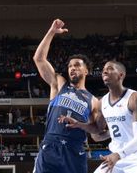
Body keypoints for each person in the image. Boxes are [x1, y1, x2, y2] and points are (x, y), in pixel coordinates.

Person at [33, 19, 102, 173]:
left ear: (86, 71)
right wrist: (51, 32)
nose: (72, 68)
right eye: (70, 66)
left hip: (74, 150)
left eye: (77, 65)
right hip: (51, 145)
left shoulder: (94, 101)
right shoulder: (59, 84)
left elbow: (97, 132)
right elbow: (39, 59)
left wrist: (82, 125)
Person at [60, 61, 137, 173]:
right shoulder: (102, 102)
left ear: (121, 75)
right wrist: (79, 124)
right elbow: (97, 133)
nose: (104, 71)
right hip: (115, 159)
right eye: (103, 69)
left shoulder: (134, 98)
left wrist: (118, 155)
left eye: (110, 68)